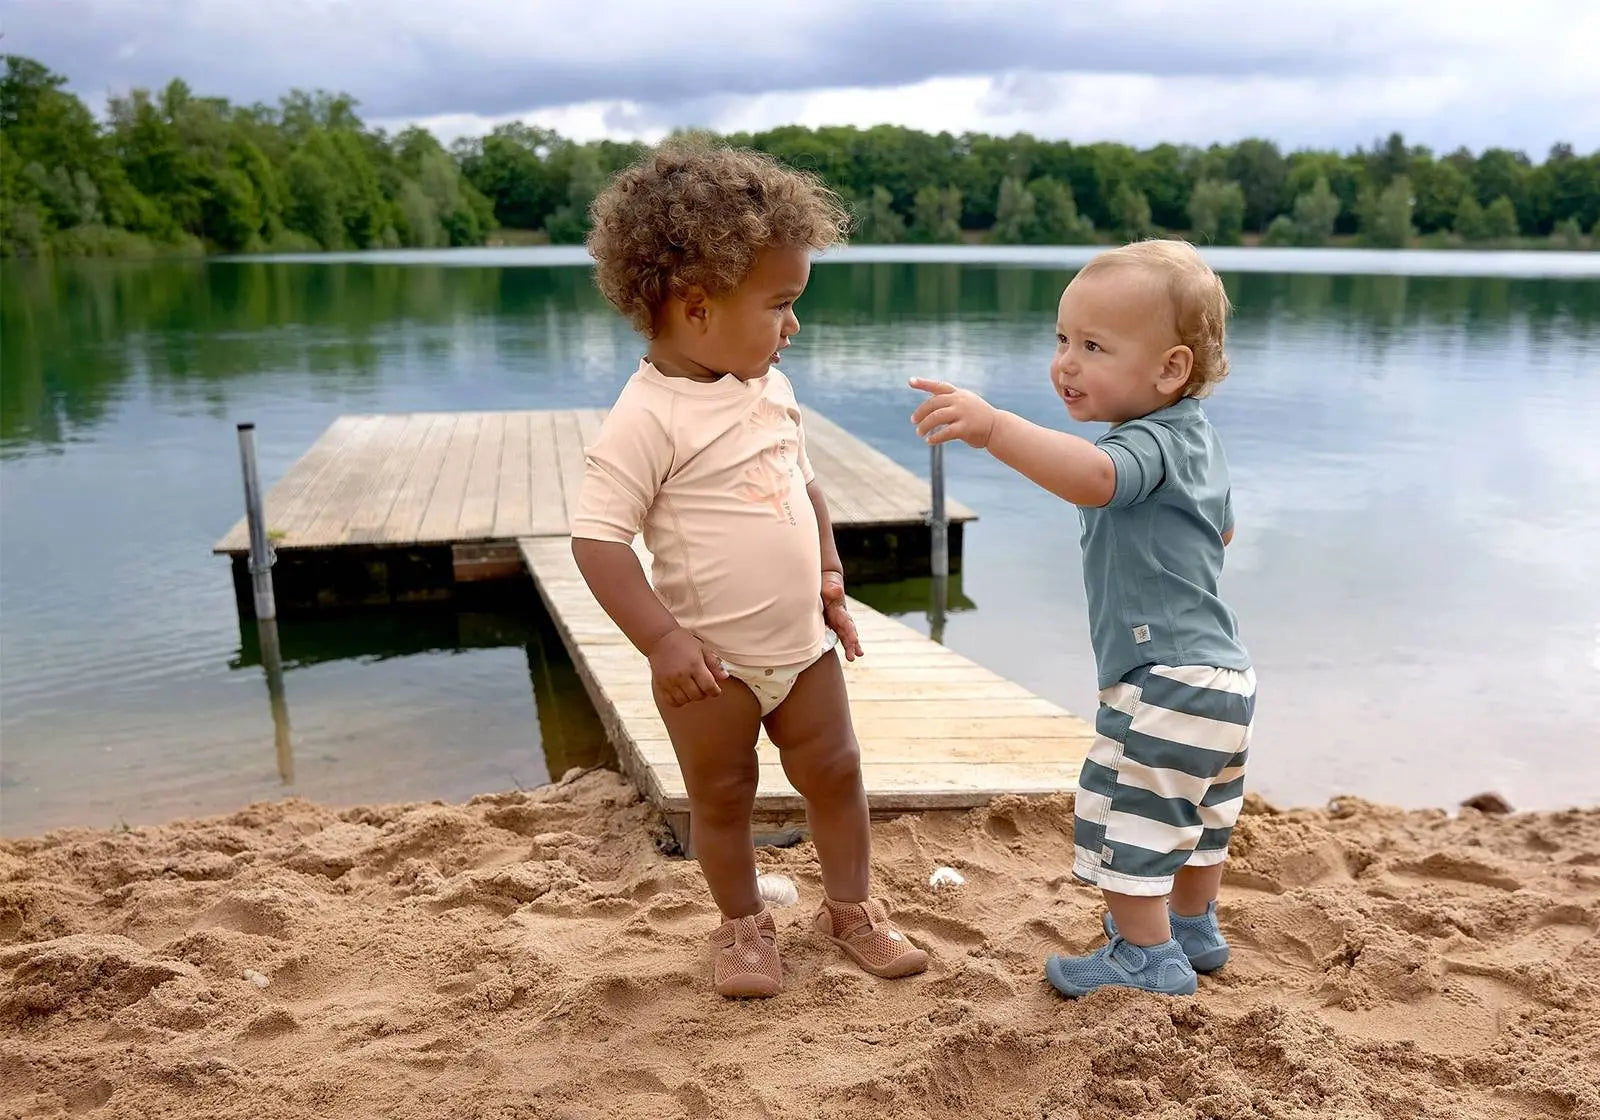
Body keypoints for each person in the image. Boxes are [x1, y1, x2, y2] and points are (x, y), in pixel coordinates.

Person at [571, 140, 929, 998]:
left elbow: (802, 484)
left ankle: (851, 909)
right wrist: (661, 641)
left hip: (801, 649)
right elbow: (597, 541)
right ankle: (742, 929)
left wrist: (831, 575)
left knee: (837, 773)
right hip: (710, 667)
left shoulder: (770, 386)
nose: (793, 326)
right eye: (780, 304)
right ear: (696, 308)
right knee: (723, 798)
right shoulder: (646, 418)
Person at [909, 240, 1253, 997]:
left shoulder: (1143, 443)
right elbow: (1221, 534)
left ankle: (1144, 954)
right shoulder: (1199, 441)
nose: (1066, 363)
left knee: (1127, 811)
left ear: (1169, 369)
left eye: (1094, 346)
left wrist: (993, 428)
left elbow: (1096, 479)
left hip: (1162, 675)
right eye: (1062, 340)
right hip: (1224, 674)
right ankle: (1191, 928)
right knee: (1197, 812)